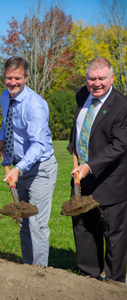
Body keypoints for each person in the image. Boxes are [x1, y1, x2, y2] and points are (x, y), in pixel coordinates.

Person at [68, 57, 127, 282]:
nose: (97, 83)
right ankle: (89, 277)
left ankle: (115, 282)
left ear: (112, 78)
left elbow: (119, 145)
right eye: (92, 78)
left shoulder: (122, 106)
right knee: (84, 229)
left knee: (113, 235)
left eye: (102, 78)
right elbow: (80, 122)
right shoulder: (82, 94)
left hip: (110, 180)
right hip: (82, 180)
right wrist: (74, 141)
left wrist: (89, 166)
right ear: (86, 79)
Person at [0, 57, 58, 267]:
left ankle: (39, 274)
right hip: (19, 166)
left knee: (37, 223)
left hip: (39, 168)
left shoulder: (36, 106)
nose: (13, 83)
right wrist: (3, 138)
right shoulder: (5, 97)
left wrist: (17, 169)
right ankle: (27, 268)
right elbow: (7, 121)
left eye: (18, 78)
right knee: (23, 220)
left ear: (26, 78)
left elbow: (38, 146)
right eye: (8, 78)